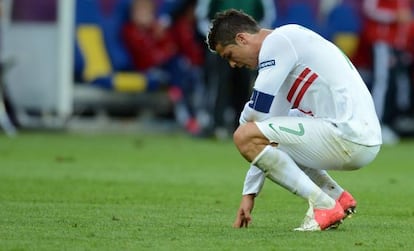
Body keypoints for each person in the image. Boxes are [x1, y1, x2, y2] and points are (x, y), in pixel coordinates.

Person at [206, 9, 382, 231]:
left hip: (349, 135)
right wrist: (249, 193)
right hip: (361, 136)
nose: (232, 64)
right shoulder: (287, 49)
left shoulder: (277, 42)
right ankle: (335, 197)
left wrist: (246, 127)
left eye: (229, 55)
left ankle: (322, 205)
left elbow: (255, 116)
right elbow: (264, 130)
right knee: (261, 132)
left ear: (242, 38)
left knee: (245, 135)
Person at [195, 0, 276, 139]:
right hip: (220, 46)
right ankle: (216, 125)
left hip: (247, 46)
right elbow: (202, 15)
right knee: (219, 85)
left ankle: (240, 126)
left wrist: (253, 39)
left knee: (245, 86)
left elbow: (267, 15)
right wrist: (216, 39)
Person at [122, 0, 204, 135]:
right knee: (177, 70)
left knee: (187, 72)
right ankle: (186, 119)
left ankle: (197, 115)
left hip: (167, 69)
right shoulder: (130, 31)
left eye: (146, 12)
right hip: (147, 70)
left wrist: (157, 39)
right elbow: (145, 55)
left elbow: (170, 47)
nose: (143, 16)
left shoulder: (156, 29)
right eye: (140, 12)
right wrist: (160, 53)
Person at [362, 0, 414, 144]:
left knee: (395, 83)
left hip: (397, 44)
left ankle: (390, 122)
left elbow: (405, 19)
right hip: (381, 41)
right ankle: (376, 125)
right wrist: (393, 16)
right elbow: (369, 9)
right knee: (382, 82)